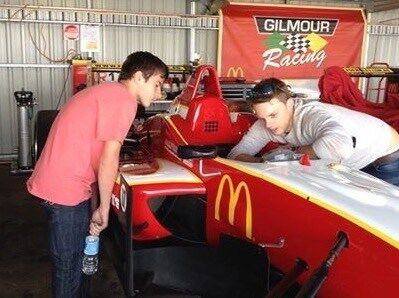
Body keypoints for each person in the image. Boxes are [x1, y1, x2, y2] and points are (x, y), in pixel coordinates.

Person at [27, 51, 168, 297]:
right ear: (137, 77)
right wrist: (104, 208)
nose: (159, 94)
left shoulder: (107, 93)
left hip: (66, 185)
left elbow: (93, 154)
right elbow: (108, 158)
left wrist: (95, 202)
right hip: (65, 191)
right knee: (68, 267)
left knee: (78, 262)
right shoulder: (123, 100)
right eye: (156, 84)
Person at [228, 78, 399, 186]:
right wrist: (265, 161)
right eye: (262, 117)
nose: (269, 123)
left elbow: (340, 146)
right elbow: (236, 154)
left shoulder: (310, 115)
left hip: (385, 155)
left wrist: (290, 154)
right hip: (352, 162)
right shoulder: (265, 123)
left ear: (290, 104)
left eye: (273, 114)